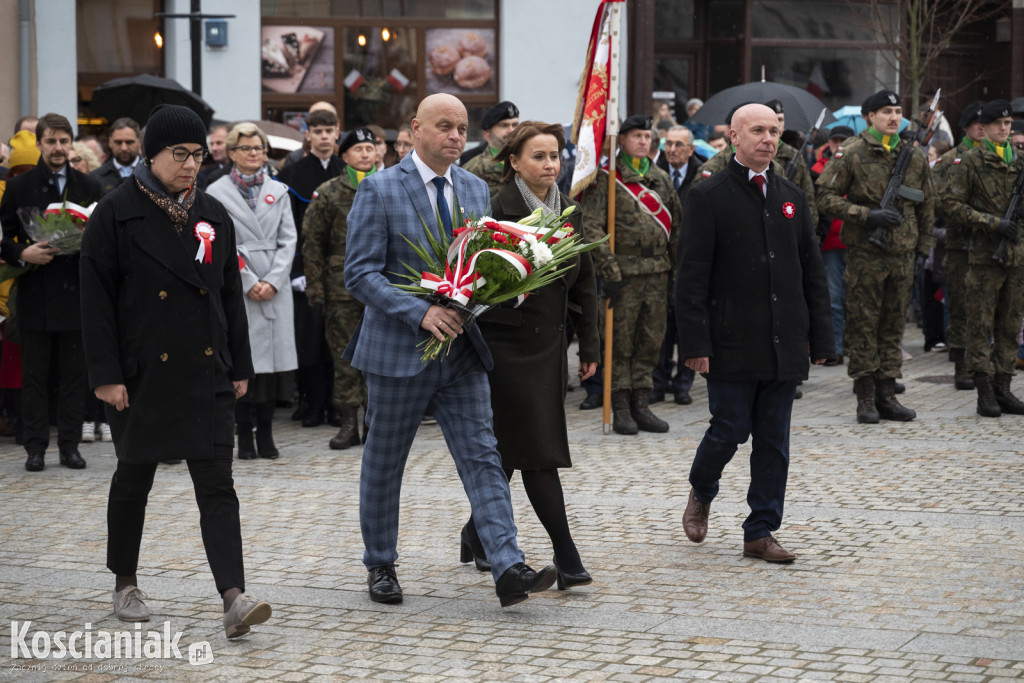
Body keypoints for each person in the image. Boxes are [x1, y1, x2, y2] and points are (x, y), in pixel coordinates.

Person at [343, 93, 557, 607]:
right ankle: (381, 564)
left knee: (483, 457)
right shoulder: (378, 190)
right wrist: (419, 311)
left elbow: (478, 266)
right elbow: (359, 274)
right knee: (384, 462)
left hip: (461, 350)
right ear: (415, 129)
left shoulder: (474, 188)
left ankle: (507, 566)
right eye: (444, 126)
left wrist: (485, 297)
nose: (456, 136)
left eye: (462, 127)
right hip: (399, 353)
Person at [80, 103, 272, 638]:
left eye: (197, 154)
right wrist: (106, 374)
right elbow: (95, 306)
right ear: (151, 154)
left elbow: (229, 294)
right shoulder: (114, 214)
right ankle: (125, 581)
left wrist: (239, 365)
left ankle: (234, 597)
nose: (191, 165)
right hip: (141, 373)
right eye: (179, 154)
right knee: (133, 477)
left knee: (217, 485)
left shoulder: (212, 213)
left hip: (206, 369)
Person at [676, 103, 833, 563]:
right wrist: (695, 344)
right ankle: (702, 489)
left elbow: (811, 269)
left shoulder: (791, 195)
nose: (768, 139)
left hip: (783, 339)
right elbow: (690, 279)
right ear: (733, 136)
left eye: (775, 131)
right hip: (729, 339)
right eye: (758, 130)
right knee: (729, 428)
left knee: (773, 439)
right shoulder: (708, 196)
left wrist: (822, 338)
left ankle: (760, 530)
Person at [460, 121, 599, 588]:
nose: (550, 165)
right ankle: (568, 557)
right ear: (514, 162)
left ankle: (476, 532)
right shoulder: (496, 209)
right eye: (538, 156)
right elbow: (473, 280)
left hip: (550, 348)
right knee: (537, 450)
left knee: (511, 449)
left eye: (555, 156)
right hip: (506, 348)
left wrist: (590, 345)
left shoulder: (570, 212)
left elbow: (585, 285)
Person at [816, 89, 935, 424]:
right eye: (885, 111)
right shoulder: (852, 152)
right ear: (870, 116)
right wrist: (867, 215)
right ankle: (865, 396)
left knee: (893, 325)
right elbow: (824, 196)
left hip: (902, 254)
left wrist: (922, 249)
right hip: (866, 254)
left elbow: (926, 206)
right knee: (864, 325)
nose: (894, 117)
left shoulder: (915, 155)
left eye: (897, 111)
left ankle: (887, 393)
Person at [0, 113, 102, 472]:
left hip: (75, 294)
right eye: (51, 142)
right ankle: (36, 447)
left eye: (63, 141)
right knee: (35, 377)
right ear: (39, 143)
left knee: (75, 376)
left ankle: (70, 446)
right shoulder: (19, 187)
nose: (58, 148)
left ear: (71, 143)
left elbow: (104, 239)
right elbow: (4, 240)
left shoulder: (89, 186)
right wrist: (22, 253)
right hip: (36, 291)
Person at [578, 114, 681, 435]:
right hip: (622, 273)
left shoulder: (660, 178)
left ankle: (642, 401)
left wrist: (678, 272)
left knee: (650, 339)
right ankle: (620, 403)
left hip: (657, 272)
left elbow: (676, 226)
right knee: (619, 341)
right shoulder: (607, 179)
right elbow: (591, 225)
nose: (643, 141)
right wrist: (607, 266)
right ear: (620, 140)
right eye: (636, 135)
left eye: (647, 136)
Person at [207, 122, 298, 458]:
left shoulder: (279, 190)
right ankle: (244, 434)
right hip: (239, 284)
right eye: (247, 148)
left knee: (272, 367)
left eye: (259, 147)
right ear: (232, 153)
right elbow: (219, 242)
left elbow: (289, 240)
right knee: (245, 364)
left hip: (275, 285)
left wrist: (273, 280)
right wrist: (247, 280)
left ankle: (268, 435)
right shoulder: (216, 192)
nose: (254, 153)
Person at [941, 100, 1024, 418]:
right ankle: (984, 391)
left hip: (1016, 258)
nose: (1005, 128)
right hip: (985, 257)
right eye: (998, 123)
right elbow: (951, 205)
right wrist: (993, 222)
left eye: (1008, 123)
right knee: (980, 325)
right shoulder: (971, 162)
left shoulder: (1019, 161)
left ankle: (1004, 387)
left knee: (1009, 324)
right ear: (985, 127)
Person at [301, 127, 377, 450]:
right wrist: (315, 290)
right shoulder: (329, 192)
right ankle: (349, 424)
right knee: (345, 357)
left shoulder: (390, 186)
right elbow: (312, 243)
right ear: (343, 155)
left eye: (369, 148)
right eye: (357, 149)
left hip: (382, 285)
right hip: (341, 287)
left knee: (378, 357)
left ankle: (375, 424)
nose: (365, 154)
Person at [277, 108, 343, 429]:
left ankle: (336, 404)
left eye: (329, 130)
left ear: (337, 131)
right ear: (308, 134)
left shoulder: (347, 169)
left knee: (339, 340)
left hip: (342, 268)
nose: (324, 137)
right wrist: (295, 270)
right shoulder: (294, 173)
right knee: (310, 339)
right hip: (306, 267)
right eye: (317, 131)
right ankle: (312, 402)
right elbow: (288, 226)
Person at [652, 124, 704, 406]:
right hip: (661, 260)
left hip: (691, 261)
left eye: (678, 145)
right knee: (661, 327)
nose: (672, 150)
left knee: (686, 325)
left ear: (691, 149)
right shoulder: (652, 173)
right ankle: (658, 382)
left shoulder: (704, 173)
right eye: (668, 144)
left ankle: (683, 384)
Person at [935, 101, 985, 390]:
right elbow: (939, 201)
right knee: (962, 308)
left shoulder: (1000, 157)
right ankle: (962, 365)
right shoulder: (950, 159)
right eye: (976, 123)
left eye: (985, 123)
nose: (981, 127)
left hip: (990, 245)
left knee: (987, 309)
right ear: (965, 127)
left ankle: (982, 364)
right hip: (961, 245)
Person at [813, 126, 855, 367]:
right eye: (834, 140)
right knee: (833, 298)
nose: (838, 145)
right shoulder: (818, 169)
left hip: (855, 242)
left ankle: (851, 345)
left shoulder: (858, 167)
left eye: (843, 141)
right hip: (830, 244)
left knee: (854, 298)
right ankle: (835, 348)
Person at [763, 100, 819, 228]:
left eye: (781, 119)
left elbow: (808, 199)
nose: (778, 124)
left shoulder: (794, 155)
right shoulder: (755, 153)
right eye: (774, 118)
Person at [462, 101, 520, 194]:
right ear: (487, 134)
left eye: (515, 125)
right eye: (504, 125)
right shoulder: (473, 169)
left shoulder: (528, 161)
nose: (511, 130)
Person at [92, 118, 143, 196]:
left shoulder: (152, 172)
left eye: (129, 142)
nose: (124, 148)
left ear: (139, 142)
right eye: (118, 142)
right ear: (110, 142)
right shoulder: (96, 177)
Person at [196, 124, 230, 188]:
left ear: (231, 144)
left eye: (219, 143)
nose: (213, 148)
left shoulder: (246, 174)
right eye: (212, 144)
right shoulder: (203, 177)